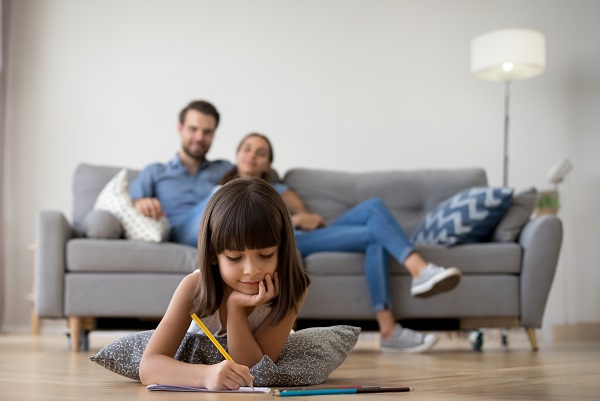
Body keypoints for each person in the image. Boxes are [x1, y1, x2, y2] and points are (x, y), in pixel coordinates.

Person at [221, 133, 463, 353]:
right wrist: (295, 219)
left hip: (305, 236)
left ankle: (415, 279)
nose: (252, 155)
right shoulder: (223, 192)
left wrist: (303, 217)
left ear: (268, 164)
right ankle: (394, 319)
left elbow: (310, 219)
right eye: (247, 149)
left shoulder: (280, 190)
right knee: (374, 236)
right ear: (237, 154)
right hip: (285, 240)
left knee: (374, 207)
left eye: (260, 153)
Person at [139, 177, 310, 389]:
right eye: (235, 258)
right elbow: (148, 367)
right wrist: (205, 375)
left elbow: (253, 371)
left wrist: (235, 308)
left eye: (266, 255)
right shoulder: (194, 287)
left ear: (282, 249)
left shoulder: (293, 288)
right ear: (212, 254)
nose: (251, 270)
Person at [129, 100, 233, 244]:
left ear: (214, 134)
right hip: (178, 234)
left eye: (207, 132)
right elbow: (131, 202)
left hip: (223, 233)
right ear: (180, 128)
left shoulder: (224, 169)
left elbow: (264, 185)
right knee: (221, 194)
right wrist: (140, 202)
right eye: (193, 129)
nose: (199, 137)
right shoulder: (155, 171)